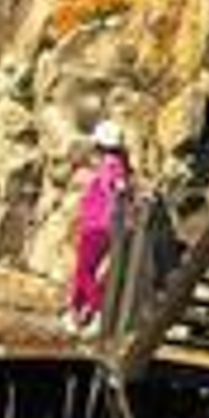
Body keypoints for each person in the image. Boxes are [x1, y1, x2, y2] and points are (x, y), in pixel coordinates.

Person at [66, 119, 135, 333]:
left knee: (84, 272)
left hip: (98, 226)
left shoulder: (110, 165)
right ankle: (76, 314)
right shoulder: (117, 164)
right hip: (101, 226)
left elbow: (116, 189)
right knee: (84, 272)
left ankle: (98, 312)